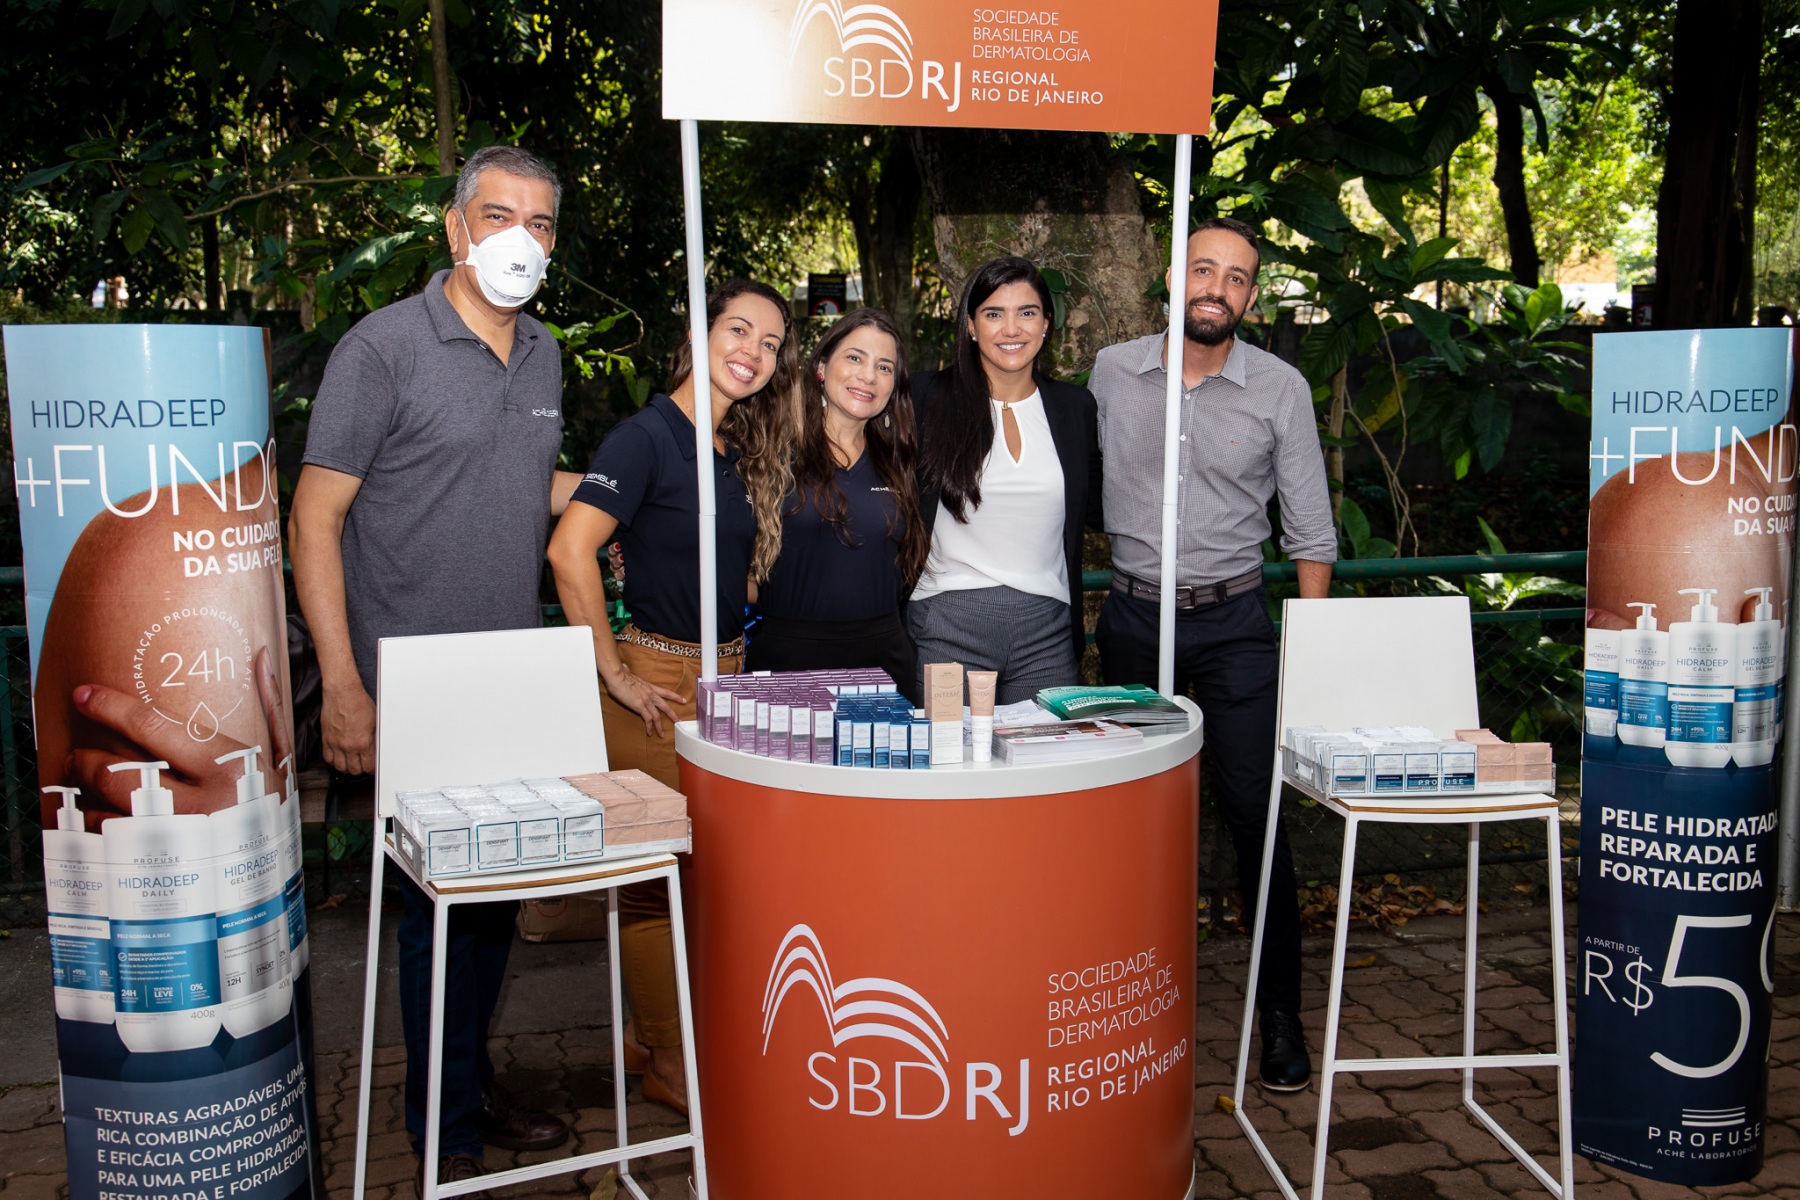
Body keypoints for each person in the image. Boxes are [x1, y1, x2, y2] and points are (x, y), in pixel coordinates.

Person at [288, 145, 581, 1193]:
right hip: (410, 685)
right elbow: (313, 519)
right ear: (455, 228)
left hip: (511, 678)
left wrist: (637, 487)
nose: (519, 239)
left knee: (495, 900)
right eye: (498, 216)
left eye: (539, 223)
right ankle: (442, 1129)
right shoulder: (383, 348)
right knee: (435, 911)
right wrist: (345, 684)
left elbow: (526, 481)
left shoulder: (542, 352)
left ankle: (468, 1085)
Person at [1089, 217, 1336, 1092]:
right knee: (1129, 820)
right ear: (1174, 278)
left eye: (1236, 278)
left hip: (1234, 627)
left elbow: (1311, 531)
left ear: (1251, 297)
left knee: (1254, 819)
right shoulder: (1111, 371)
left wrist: (1307, 651)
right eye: (1204, 270)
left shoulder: (1280, 388)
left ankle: (1280, 1017)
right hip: (1132, 622)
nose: (1217, 289)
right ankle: (1122, 1004)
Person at [547, 277, 797, 1116]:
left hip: (722, 681)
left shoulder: (725, 450)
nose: (753, 351)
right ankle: (666, 1057)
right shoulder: (647, 435)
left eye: (770, 342)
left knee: (699, 881)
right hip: (654, 686)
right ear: (698, 334)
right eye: (739, 329)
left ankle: (648, 1029)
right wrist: (612, 673)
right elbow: (570, 551)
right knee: (655, 886)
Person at [910, 256, 1102, 704]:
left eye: (1027, 312)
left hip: (1048, 632)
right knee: (948, 749)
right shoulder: (925, 397)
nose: (1011, 329)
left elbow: (1100, 505)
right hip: (946, 624)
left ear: (1046, 323)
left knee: (1044, 750)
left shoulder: (1075, 408)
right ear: (971, 325)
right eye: (994, 313)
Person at [746, 307, 927, 697]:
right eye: (855, 358)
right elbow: (731, 557)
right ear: (822, 367)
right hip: (789, 663)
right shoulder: (773, 452)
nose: (868, 376)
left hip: (884, 666)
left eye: (884, 367)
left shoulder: (901, 462)